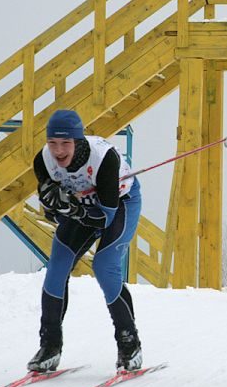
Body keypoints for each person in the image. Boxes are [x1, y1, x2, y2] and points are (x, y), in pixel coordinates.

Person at [29, 110, 143, 372]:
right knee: (57, 266)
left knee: (104, 266)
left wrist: (72, 209)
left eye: (66, 143)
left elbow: (104, 219)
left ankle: (129, 342)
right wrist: (55, 207)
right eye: (53, 143)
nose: (58, 151)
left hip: (119, 205)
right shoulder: (43, 161)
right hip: (82, 207)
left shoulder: (104, 159)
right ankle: (50, 346)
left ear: (78, 141)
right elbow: (53, 213)